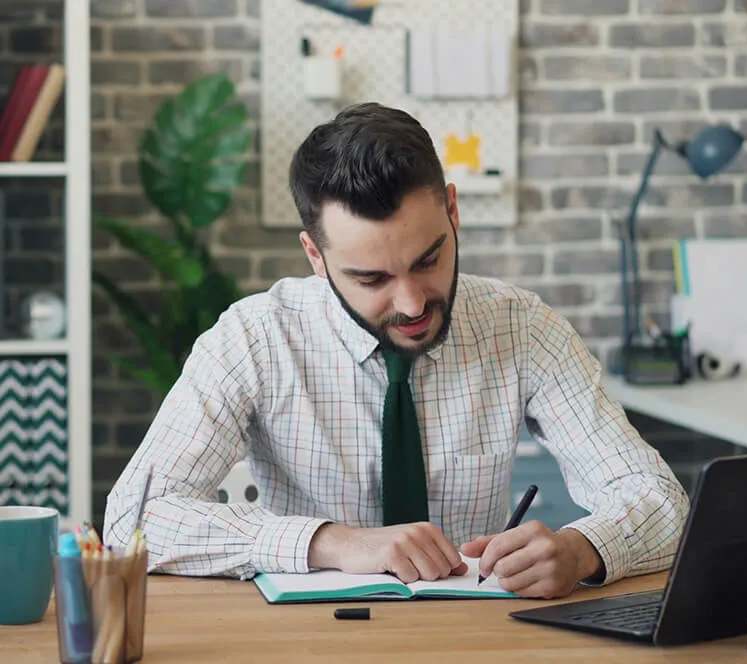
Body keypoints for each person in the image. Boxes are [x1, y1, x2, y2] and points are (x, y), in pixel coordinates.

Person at [104, 102, 689, 599]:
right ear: (316, 256)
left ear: (453, 212)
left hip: (472, 641)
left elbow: (659, 499)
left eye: (428, 260)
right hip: (303, 644)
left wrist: (581, 548)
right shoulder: (254, 338)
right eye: (371, 278)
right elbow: (133, 520)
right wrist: (333, 542)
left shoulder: (523, 328)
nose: (411, 303)